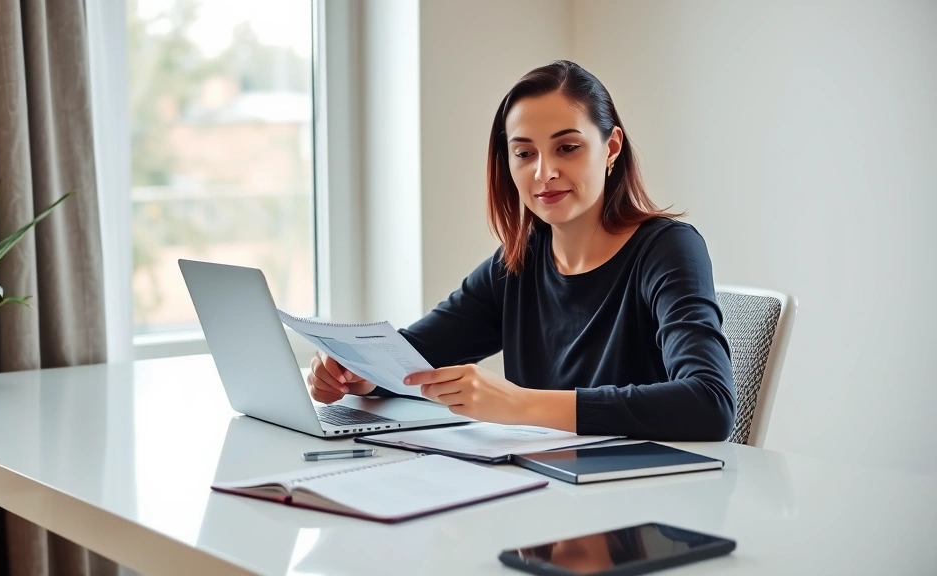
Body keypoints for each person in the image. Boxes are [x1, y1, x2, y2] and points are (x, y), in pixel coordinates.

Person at [305, 60, 735, 441]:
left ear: (612, 148)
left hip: (642, 502)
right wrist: (359, 373)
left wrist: (519, 405)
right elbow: (413, 358)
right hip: (543, 496)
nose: (544, 173)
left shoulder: (668, 248)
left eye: (567, 148)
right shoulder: (518, 260)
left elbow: (709, 403)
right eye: (524, 153)